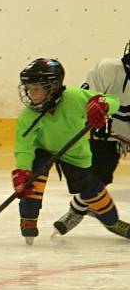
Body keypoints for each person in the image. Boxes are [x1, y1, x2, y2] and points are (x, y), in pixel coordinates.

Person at [12, 58, 130, 244]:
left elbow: (112, 101)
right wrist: (22, 170)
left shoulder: (74, 97)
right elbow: (24, 148)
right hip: (41, 150)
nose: (31, 94)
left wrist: (102, 104)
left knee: (92, 190)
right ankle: (28, 218)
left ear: (52, 87)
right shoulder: (27, 116)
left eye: (37, 88)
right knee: (32, 182)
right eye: (29, 88)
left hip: (74, 152)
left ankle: (112, 222)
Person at [80, 40, 130, 186]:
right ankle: (81, 207)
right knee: (98, 176)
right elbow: (86, 98)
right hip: (109, 135)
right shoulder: (108, 69)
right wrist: (93, 109)